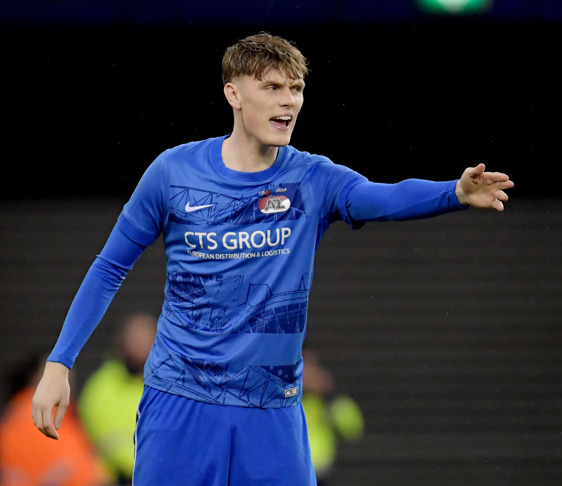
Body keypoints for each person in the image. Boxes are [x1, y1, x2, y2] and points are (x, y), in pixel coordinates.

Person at [31, 32, 514, 485]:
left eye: (296, 88)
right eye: (272, 87)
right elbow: (109, 266)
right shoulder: (173, 172)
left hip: (272, 410)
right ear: (234, 94)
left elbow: (382, 197)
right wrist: (59, 363)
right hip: (180, 402)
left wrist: (453, 193)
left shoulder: (312, 178)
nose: (289, 100)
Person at [0, 353, 110, 486]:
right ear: (36, 377)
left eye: (68, 369)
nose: (67, 376)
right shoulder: (29, 414)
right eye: (56, 369)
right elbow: (60, 468)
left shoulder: (63, 414)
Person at [78, 312, 157, 485]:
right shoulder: (102, 386)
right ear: (121, 342)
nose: (141, 345)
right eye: (135, 339)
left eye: (147, 339)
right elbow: (104, 442)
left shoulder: (167, 383)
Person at [301, 347, 364, 485]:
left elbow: (352, 427)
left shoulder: (328, 399)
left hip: (320, 469)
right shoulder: (281, 398)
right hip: (289, 468)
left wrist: (329, 394)